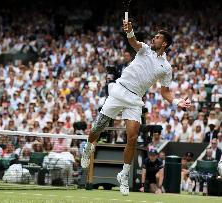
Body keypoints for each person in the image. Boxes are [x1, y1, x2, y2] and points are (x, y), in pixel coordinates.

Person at [80, 19, 191, 196]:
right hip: (119, 90)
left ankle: (123, 174)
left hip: (135, 99)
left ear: (165, 43)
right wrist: (129, 31)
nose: (153, 39)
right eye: (154, 37)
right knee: (98, 127)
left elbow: (165, 92)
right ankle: (88, 147)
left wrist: (178, 102)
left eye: (157, 37)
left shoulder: (166, 67)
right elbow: (133, 42)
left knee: (132, 137)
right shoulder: (145, 49)